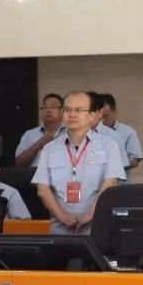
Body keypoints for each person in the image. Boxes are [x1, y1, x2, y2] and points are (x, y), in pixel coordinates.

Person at [33, 90, 125, 234]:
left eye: (78, 110)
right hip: (59, 228)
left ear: (92, 115)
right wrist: (63, 217)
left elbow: (110, 183)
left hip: (96, 226)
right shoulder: (50, 149)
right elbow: (42, 189)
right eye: (67, 110)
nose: (72, 114)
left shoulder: (108, 145)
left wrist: (89, 215)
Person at [15, 93, 64, 167]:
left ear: (63, 111)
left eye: (53, 107)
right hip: (34, 173)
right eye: (45, 107)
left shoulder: (71, 134)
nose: (48, 110)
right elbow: (19, 163)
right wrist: (40, 143)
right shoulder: (29, 134)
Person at [101, 93, 143, 170]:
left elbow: (134, 160)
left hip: (120, 177)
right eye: (99, 117)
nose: (102, 120)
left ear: (115, 111)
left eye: (105, 116)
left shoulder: (128, 132)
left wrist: (113, 165)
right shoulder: (91, 132)